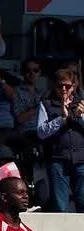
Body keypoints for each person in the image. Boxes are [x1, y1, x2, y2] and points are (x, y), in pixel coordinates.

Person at [36, 69, 84, 213]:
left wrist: (81, 117)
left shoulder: (81, 104)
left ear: (73, 86)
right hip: (57, 160)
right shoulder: (46, 104)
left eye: (67, 86)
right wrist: (61, 119)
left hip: (81, 160)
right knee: (60, 206)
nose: (64, 89)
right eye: (60, 86)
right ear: (54, 86)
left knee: (83, 201)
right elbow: (41, 132)